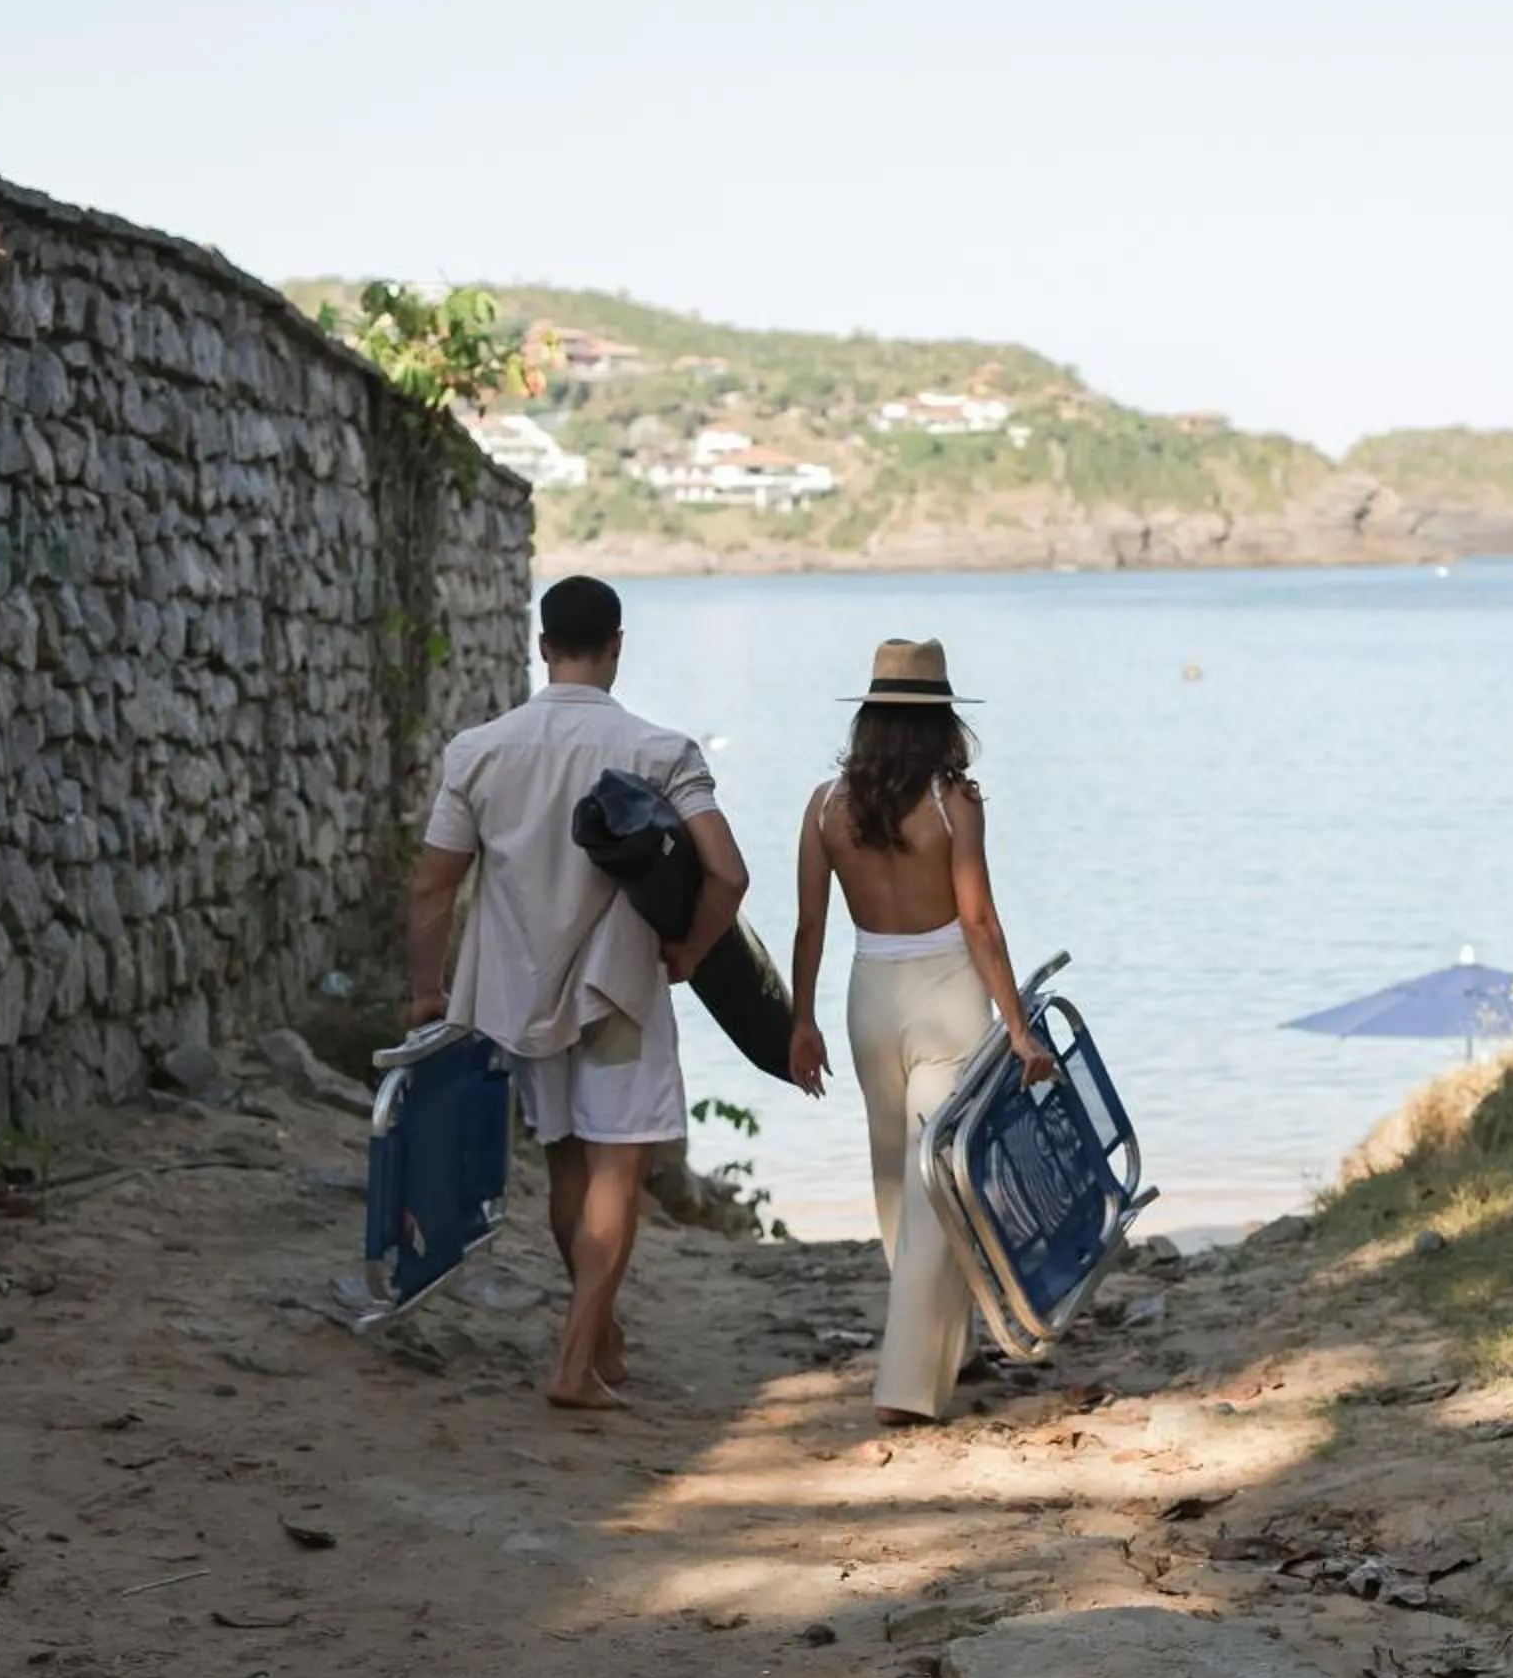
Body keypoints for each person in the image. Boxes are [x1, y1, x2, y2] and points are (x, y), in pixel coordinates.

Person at [406, 573, 749, 1409]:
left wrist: (426, 990)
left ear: (541, 646)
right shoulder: (661, 752)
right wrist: (689, 952)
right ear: (618, 647)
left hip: (516, 998)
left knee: (567, 1162)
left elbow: (432, 887)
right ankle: (572, 1363)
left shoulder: (479, 750)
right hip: (620, 991)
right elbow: (728, 874)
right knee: (616, 1171)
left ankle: (599, 1339)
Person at [788, 636, 1053, 1427]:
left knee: (898, 1178)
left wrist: (799, 1021)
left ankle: (952, 1344)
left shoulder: (825, 804)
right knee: (941, 1169)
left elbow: (809, 923)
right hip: (947, 993)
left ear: (869, 720)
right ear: (942, 721)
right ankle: (907, 1383)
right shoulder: (953, 803)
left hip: (869, 993)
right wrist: (1017, 1025)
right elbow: (979, 920)